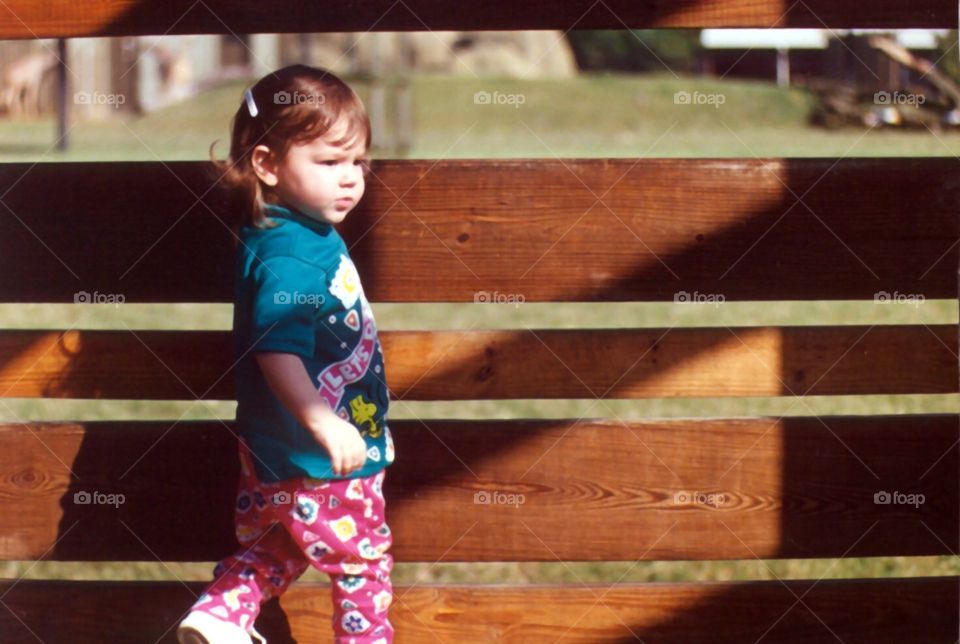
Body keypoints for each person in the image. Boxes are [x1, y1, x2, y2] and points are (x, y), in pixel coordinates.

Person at [177, 64, 395, 644]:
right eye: (328, 162)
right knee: (362, 563)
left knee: (283, 542)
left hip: (271, 454)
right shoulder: (296, 251)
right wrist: (324, 422)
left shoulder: (274, 230)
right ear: (268, 165)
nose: (350, 179)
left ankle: (222, 612)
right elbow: (276, 346)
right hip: (322, 455)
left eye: (358, 162)